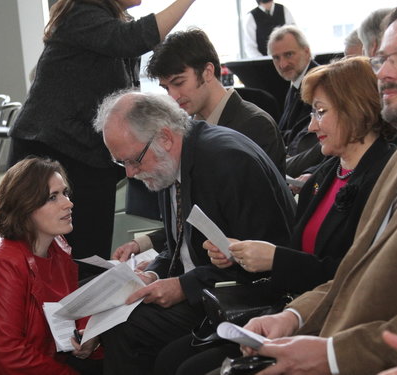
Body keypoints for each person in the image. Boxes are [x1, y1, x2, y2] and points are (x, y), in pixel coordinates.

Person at [207, 2, 397, 374]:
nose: (386, 73)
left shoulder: (387, 160)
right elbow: (353, 271)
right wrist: (295, 316)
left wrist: (331, 354)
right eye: (381, 60)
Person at [153, 55, 396, 375]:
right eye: (312, 112)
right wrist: (237, 254)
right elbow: (297, 257)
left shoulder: (385, 176)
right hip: (293, 308)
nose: (311, 125)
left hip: (342, 323)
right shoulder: (324, 177)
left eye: (321, 112)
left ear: (356, 109)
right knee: (171, 361)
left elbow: (359, 277)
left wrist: (274, 260)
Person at [93, 90, 296, 374]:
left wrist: (183, 286)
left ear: (164, 137)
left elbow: (270, 259)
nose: (129, 173)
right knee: (118, 322)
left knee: (129, 331)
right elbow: (179, 242)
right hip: (205, 290)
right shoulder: (169, 161)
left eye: (133, 160)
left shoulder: (227, 162)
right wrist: (153, 272)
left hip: (247, 301)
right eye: (122, 163)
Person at [5, 0, 196, 264]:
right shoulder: (82, 13)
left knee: (84, 253)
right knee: (38, 247)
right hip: (53, 148)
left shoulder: (112, 19)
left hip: (84, 150)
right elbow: (135, 38)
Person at [114, 28, 287, 260]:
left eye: (179, 82)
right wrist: (148, 244)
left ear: (207, 72)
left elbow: (252, 224)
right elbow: (187, 217)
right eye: (166, 88)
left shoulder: (254, 126)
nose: (173, 96)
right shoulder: (182, 132)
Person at [0, 157, 100, 374]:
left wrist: (87, 332)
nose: (68, 203)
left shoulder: (57, 246)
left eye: (65, 193)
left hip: (41, 358)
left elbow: (69, 305)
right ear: (25, 207)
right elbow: (10, 354)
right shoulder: (0, 265)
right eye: (52, 197)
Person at [267, 25, 324, 178]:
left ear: (307, 52)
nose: (282, 64)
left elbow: (303, 142)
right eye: (276, 57)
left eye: (289, 54)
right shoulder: (295, 82)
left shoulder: (320, 84)